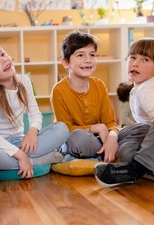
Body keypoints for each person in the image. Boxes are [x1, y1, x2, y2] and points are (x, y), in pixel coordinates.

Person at [95, 37, 154, 188]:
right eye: (132, 57)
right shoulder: (138, 89)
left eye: (145, 59)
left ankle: (138, 168)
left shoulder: (147, 89)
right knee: (127, 150)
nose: (136, 63)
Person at [0, 43, 69, 179]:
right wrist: (20, 155)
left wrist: (32, 133)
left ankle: (3, 166)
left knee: (62, 129)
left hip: (21, 141)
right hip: (0, 146)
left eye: (3, 54)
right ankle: (38, 160)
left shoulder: (24, 81)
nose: (4, 59)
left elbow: (35, 114)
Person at [50, 31, 119, 163]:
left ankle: (105, 152)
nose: (88, 60)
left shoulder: (99, 85)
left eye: (92, 55)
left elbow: (111, 123)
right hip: (74, 139)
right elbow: (66, 129)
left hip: (99, 138)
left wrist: (112, 137)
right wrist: (98, 127)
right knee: (78, 139)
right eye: (80, 55)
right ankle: (107, 154)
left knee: (133, 132)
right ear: (65, 63)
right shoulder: (59, 90)